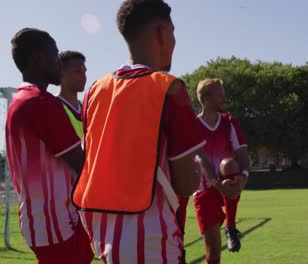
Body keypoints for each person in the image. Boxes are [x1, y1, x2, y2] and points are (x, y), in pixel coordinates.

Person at [71, 0, 205, 263]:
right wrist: (197, 172)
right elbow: (184, 184)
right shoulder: (169, 88)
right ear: (162, 33)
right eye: (173, 31)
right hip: (153, 241)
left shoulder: (94, 90)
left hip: (104, 236)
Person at [6, 28, 93, 264]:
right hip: (56, 223)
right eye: (55, 55)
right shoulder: (41, 103)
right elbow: (82, 163)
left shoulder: (21, 99)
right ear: (38, 58)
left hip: (41, 221)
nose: (59, 63)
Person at [194, 78, 250, 264]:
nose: (224, 98)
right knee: (213, 250)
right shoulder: (193, 125)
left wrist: (243, 177)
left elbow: (242, 153)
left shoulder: (229, 122)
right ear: (206, 99)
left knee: (228, 164)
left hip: (228, 183)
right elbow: (200, 157)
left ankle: (231, 226)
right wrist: (218, 185)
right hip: (205, 189)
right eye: (219, 95)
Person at [57, 51, 87, 139]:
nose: (83, 76)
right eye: (78, 71)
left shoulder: (87, 106)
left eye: (84, 71)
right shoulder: (53, 106)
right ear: (61, 74)